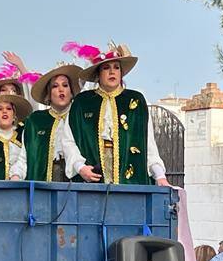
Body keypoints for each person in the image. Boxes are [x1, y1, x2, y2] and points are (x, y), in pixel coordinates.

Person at [65, 42, 169, 185]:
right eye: (106, 68)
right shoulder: (82, 102)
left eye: (116, 67)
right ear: (98, 74)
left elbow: (147, 143)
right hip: (91, 179)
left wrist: (159, 176)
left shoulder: (135, 100)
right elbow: (68, 140)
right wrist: (80, 167)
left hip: (129, 179)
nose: (112, 72)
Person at [24, 64, 96, 182]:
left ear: (72, 92)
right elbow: (25, 156)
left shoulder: (80, 117)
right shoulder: (36, 120)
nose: (61, 89)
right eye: (55, 86)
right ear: (48, 94)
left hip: (78, 179)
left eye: (65, 85)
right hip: (46, 182)